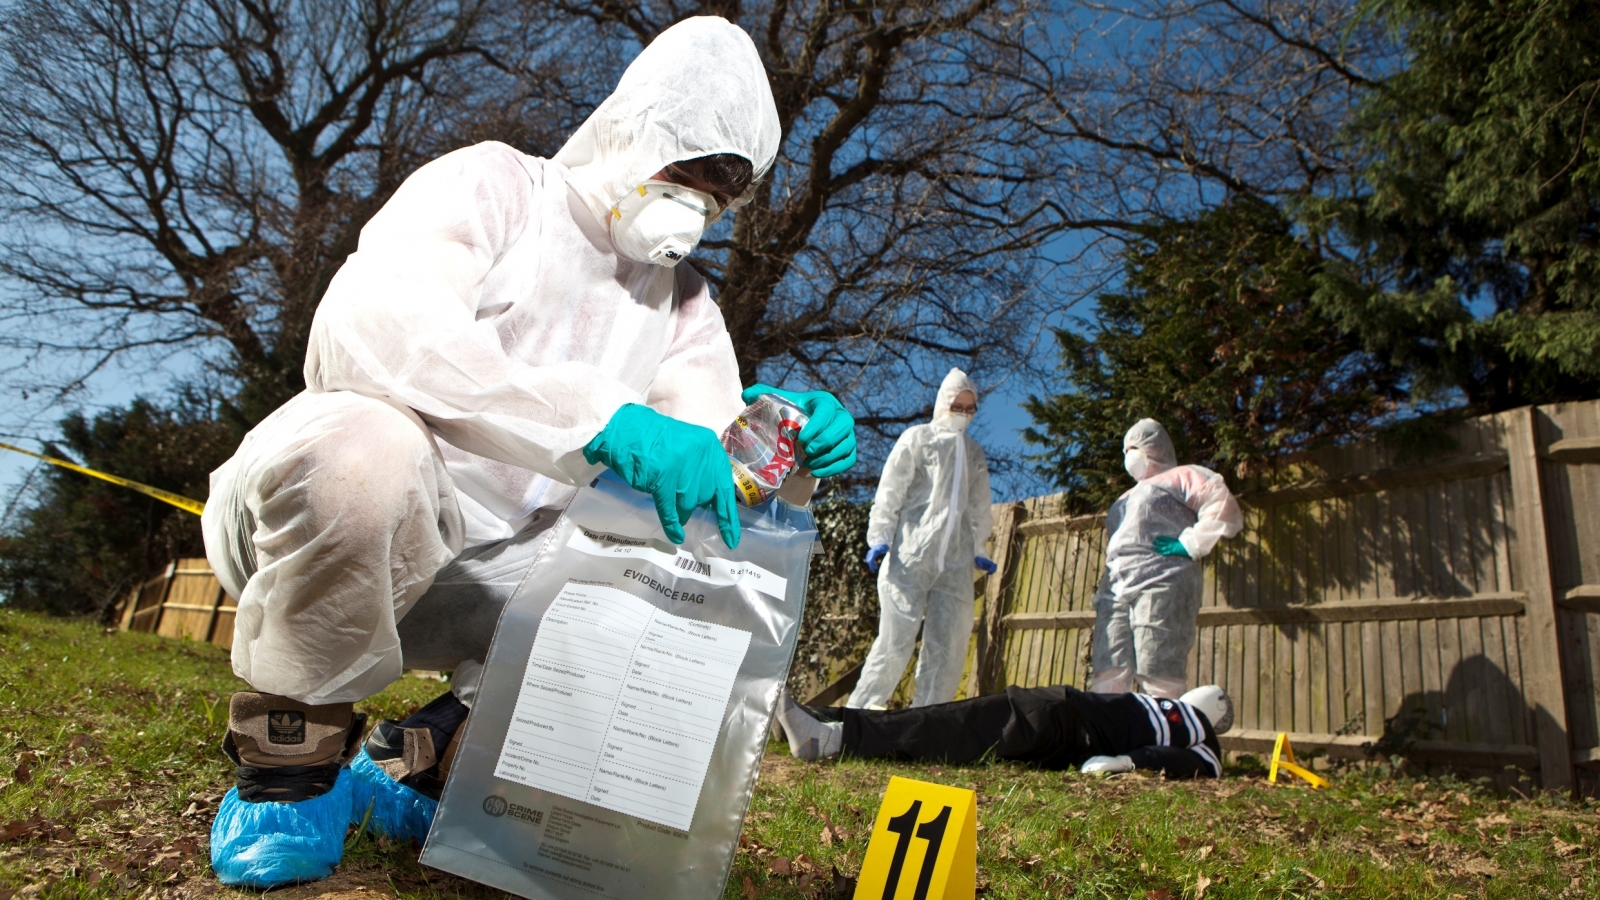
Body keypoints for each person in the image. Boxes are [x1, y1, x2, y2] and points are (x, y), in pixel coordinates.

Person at [200, 18, 857, 889]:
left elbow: (710, 481)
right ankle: (287, 766)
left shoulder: (685, 308)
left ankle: (417, 762)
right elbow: (375, 334)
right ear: (629, 129)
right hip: (330, 525)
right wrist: (600, 423)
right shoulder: (495, 185)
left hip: (491, 576)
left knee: (670, 582)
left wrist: (788, 450)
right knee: (369, 448)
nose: (693, 207)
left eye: (717, 193)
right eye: (683, 172)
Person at [846, 368, 994, 711]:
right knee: (895, 640)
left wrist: (979, 546)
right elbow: (891, 489)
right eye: (958, 405)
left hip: (955, 564)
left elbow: (979, 506)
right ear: (944, 402)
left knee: (948, 644)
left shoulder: (974, 454)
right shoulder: (918, 439)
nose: (964, 414)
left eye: (970, 409)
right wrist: (880, 535)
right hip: (909, 555)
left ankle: (929, 720)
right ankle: (859, 714)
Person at [775, 684, 1232, 779]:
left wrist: (1128, 762)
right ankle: (806, 718)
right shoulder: (1167, 703)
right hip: (1066, 717)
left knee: (955, 725)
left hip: (1068, 722)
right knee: (952, 724)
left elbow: (1194, 766)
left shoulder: (1205, 742)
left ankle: (827, 736)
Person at [1088, 419, 1242, 699]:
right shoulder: (1124, 497)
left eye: (1134, 448)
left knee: (1157, 663)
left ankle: (1162, 733)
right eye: (1125, 450)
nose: (1128, 456)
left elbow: (1221, 504)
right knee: (1108, 667)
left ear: (1154, 447)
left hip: (1162, 580)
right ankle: (1108, 734)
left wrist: (1190, 543)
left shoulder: (1182, 476)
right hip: (1116, 589)